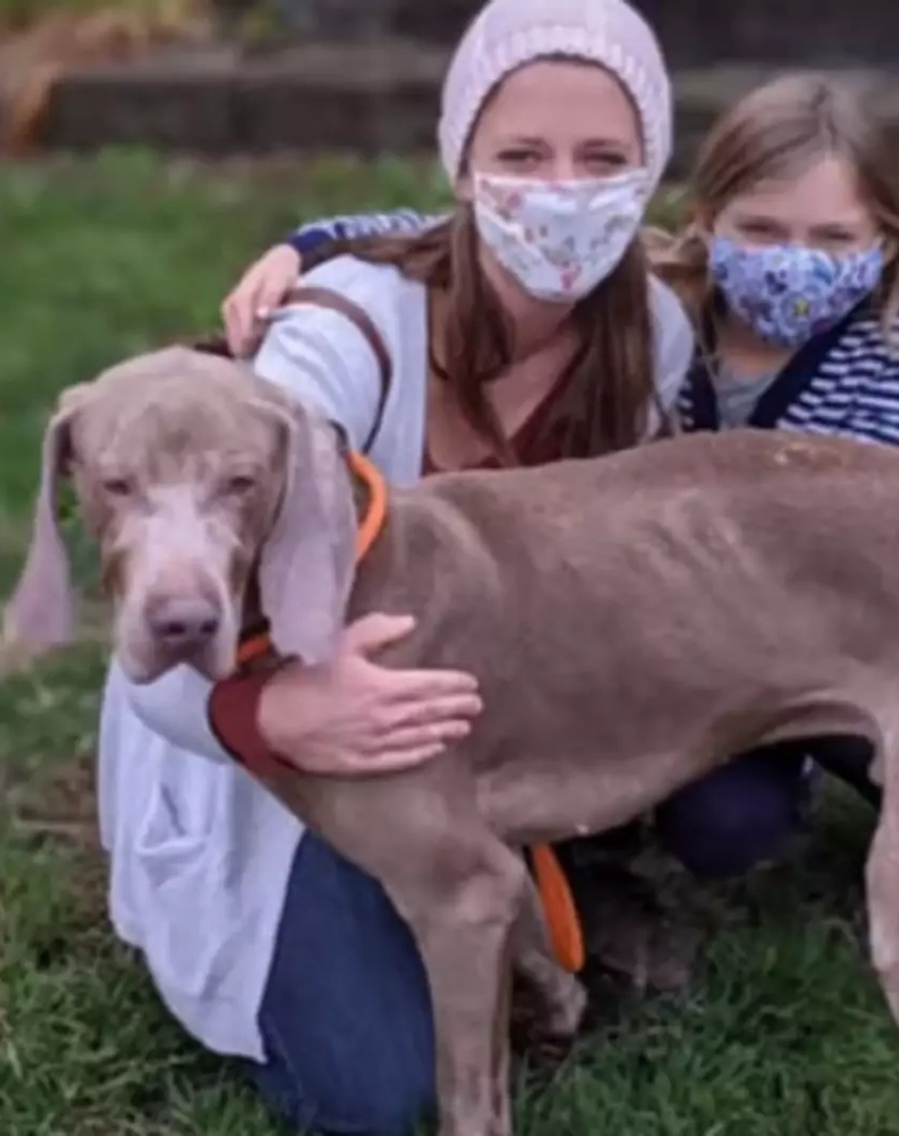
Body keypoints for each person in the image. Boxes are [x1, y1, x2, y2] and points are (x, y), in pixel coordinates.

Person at [97, 1, 692, 1133]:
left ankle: (535, 872)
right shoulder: (341, 333)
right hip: (258, 718)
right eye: (520, 155)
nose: (562, 192)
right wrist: (273, 714)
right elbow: (163, 649)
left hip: (478, 696)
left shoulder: (651, 330)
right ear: (462, 167)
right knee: (375, 1089)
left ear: (647, 170)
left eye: (602, 159)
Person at [221, 73, 899, 878]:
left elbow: (838, 553)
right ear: (705, 225)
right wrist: (308, 246)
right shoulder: (657, 298)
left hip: (810, 634)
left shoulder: (897, 357)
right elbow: (461, 228)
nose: (794, 262)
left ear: (887, 240)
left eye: (832, 239)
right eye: (762, 230)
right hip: (652, 616)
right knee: (723, 828)